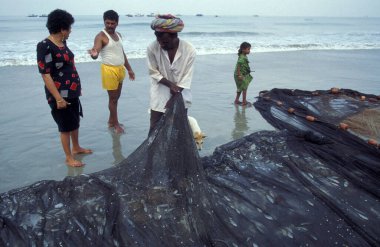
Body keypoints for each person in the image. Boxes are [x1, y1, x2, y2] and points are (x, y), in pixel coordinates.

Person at [37, 9, 92, 167]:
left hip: (72, 90)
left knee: (74, 121)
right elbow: (45, 74)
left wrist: (76, 87)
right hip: (58, 94)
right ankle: (69, 158)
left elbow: (68, 65)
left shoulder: (62, 43)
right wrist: (58, 98)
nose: (70, 31)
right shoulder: (44, 46)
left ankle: (76, 147)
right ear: (62, 29)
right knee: (65, 126)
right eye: (69, 28)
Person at [147, 14, 196, 134]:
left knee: (179, 127)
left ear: (175, 36)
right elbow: (153, 72)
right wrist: (170, 85)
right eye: (159, 41)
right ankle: (151, 152)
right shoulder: (152, 47)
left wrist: (175, 96)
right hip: (160, 90)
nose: (161, 44)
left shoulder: (189, 50)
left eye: (165, 42)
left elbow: (186, 76)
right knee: (154, 125)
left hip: (181, 92)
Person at [89, 10, 135, 134]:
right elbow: (96, 50)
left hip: (120, 69)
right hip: (109, 70)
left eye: (112, 23)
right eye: (107, 23)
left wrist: (129, 69)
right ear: (104, 22)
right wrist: (94, 54)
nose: (109, 25)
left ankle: (111, 120)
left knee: (116, 97)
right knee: (113, 99)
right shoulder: (101, 36)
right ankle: (115, 125)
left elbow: (122, 53)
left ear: (117, 23)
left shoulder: (119, 35)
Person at [234, 42, 253, 106]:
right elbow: (238, 66)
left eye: (249, 49)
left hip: (241, 74)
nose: (249, 51)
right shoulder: (242, 57)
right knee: (244, 88)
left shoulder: (243, 56)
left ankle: (236, 100)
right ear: (243, 49)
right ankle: (244, 101)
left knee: (240, 87)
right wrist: (239, 75)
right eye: (248, 49)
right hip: (239, 75)